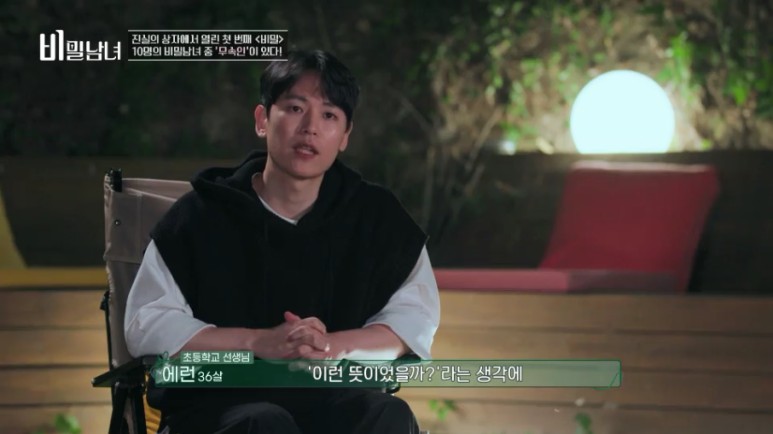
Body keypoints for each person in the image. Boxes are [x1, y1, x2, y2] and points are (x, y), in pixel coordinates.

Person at [124, 49, 440, 434]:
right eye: (294, 108)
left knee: (387, 415)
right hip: (218, 407)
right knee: (263, 423)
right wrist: (259, 342)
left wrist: (329, 346)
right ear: (262, 119)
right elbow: (147, 323)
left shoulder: (376, 217)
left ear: (345, 136)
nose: (310, 127)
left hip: (333, 398)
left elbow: (412, 319)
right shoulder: (200, 216)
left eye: (329, 115)